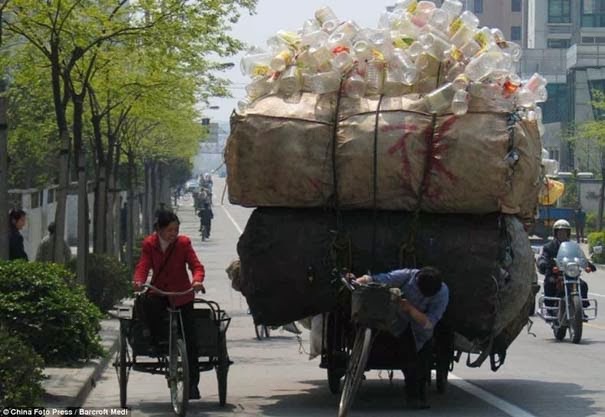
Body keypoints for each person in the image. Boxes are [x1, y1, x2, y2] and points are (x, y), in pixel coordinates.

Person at [133, 210, 206, 400]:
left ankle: (193, 385)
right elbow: (143, 265)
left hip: (182, 294)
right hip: (159, 292)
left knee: (190, 341)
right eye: (169, 230)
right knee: (146, 304)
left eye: (176, 230)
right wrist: (139, 281)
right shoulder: (150, 244)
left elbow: (196, 266)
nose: (173, 234)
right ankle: (155, 340)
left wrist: (197, 281)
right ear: (159, 229)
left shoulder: (183, 243)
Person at [353, 266, 449, 409]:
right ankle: (413, 395)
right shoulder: (407, 276)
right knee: (409, 357)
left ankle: (418, 395)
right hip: (397, 324)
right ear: (417, 280)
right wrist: (358, 281)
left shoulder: (442, 293)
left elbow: (429, 323)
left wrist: (410, 308)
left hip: (422, 332)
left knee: (422, 363)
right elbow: (379, 279)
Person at [537, 219, 594, 313]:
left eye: (564, 232)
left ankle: (580, 310)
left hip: (569, 273)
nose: (562, 234)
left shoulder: (573, 246)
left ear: (568, 233)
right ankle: (550, 309)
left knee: (583, 285)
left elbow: (580, 256)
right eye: (560, 232)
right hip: (554, 273)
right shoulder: (549, 246)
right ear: (555, 233)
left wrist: (588, 265)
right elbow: (543, 256)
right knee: (549, 283)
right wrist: (543, 263)